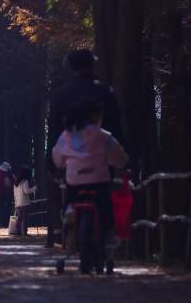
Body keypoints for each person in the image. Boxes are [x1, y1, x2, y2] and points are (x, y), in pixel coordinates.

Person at [46, 49, 123, 246]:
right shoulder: (105, 92)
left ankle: (65, 225)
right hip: (102, 161)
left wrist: (52, 164)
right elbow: (117, 127)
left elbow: (54, 130)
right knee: (104, 200)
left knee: (69, 195)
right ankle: (109, 236)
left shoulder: (60, 96)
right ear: (93, 64)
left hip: (72, 164)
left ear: (71, 67)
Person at [52, 99, 128, 274]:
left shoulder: (67, 136)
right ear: (94, 116)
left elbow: (57, 159)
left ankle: (68, 222)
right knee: (106, 211)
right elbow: (121, 158)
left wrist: (65, 162)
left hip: (75, 184)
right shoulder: (104, 136)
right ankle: (108, 239)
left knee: (69, 204)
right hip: (99, 182)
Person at [13, 165, 37, 236]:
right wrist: (34, 188)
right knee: (25, 219)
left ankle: (18, 231)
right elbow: (26, 191)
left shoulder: (16, 182)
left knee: (20, 218)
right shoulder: (25, 181)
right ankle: (24, 232)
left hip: (18, 203)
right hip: (24, 202)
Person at [0, 161, 14, 226]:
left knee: (2, 208)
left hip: (3, 194)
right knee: (7, 208)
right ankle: (6, 222)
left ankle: (3, 222)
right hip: (8, 194)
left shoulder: (2, 175)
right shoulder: (10, 176)